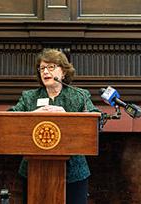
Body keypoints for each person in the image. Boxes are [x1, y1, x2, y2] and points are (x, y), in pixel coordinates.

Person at [8, 48, 101, 204]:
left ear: (63, 72)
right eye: (42, 68)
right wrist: (32, 115)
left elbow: (95, 122)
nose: (46, 71)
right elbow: (10, 119)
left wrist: (67, 115)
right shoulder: (29, 97)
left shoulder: (79, 96)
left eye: (51, 67)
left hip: (73, 171)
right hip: (33, 170)